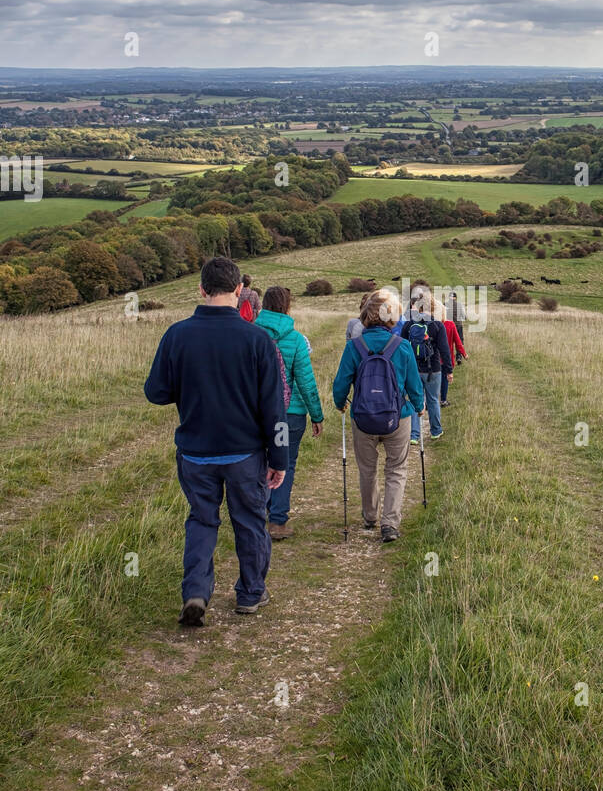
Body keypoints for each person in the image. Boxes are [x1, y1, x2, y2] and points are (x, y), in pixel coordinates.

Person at [144, 256, 288, 625]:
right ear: (239, 290)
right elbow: (274, 408)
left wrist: (190, 385)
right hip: (245, 453)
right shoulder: (257, 340)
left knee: (202, 521)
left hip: (195, 452)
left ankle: (195, 591)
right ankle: (251, 594)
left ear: (201, 289)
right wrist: (280, 459)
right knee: (250, 520)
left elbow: (156, 392)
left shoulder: (177, 335)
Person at [332, 288, 423, 543]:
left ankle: (370, 516)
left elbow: (340, 385)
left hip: (362, 418)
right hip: (398, 417)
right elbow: (414, 386)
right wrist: (419, 405)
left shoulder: (354, 347)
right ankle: (390, 524)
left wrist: (340, 404)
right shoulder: (402, 347)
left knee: (367, 469)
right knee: (396, 469)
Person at [256, 286, 324, 540]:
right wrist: (316, 415)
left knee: (258, 463)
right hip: (290, 415)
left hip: (256, 415)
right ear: (287, 308)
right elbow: (306, 382)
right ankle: (277, 522)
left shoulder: (250, 334)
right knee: (286, 464)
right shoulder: (296, 340)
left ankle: (255, 516)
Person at [401, 286, 452, 444]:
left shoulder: (409, 325)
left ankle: (414, 435)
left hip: (414, 369)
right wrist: (448, 371)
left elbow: (402, 346)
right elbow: (445, 350)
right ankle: (436, 431)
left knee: (416, 399)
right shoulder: (437, 325)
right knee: (433, 400)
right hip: (434, 369)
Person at [438, 299, 467, 407]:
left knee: (435, 378)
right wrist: (464, 353)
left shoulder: (433, 324)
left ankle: (430, 401)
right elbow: (458, 342)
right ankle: (443, 400)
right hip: (447, 355)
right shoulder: (459, 305)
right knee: (445, 378)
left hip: (435, 357)